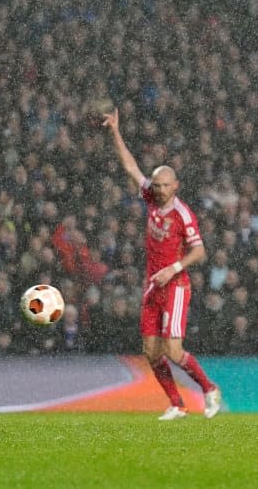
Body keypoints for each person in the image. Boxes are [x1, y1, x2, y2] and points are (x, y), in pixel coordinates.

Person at [102, 109, 222, 421]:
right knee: (151, 352)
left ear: (176, 186)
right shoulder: (151, 199)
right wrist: (115, 130)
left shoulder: (183, 215)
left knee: (173, 350)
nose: (159, 190)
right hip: (153, 287)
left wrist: (174, 268)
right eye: (156, 185)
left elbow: (200, 251)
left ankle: (209, 389)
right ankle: (177, 404)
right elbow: (130, 166)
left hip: (175, 287)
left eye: (165, 185)